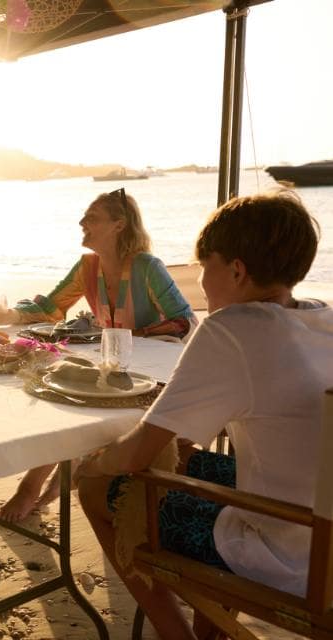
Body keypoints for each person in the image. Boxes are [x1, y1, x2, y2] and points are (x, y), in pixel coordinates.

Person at [75, 190, 332, 639]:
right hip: (324, 526)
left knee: (97, 486)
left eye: (205, 266)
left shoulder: (233, 330)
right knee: (188, 460)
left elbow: (137, 455)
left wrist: (93, 462)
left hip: (294, 559)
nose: (202, 281)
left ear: (236, 270)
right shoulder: (323, 319)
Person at [0, 189, 195, 522]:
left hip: (152, 376)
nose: (82, 222)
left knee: (74, 397)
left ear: (118, 224)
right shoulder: (87, 267)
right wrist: (8, 314)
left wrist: (131, 336)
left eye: (92, 217)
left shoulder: (147, 267)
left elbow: (184, 321)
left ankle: (44, 480)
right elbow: (50, 308)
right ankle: (42, 481)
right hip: (111, 368)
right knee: (60, 387)